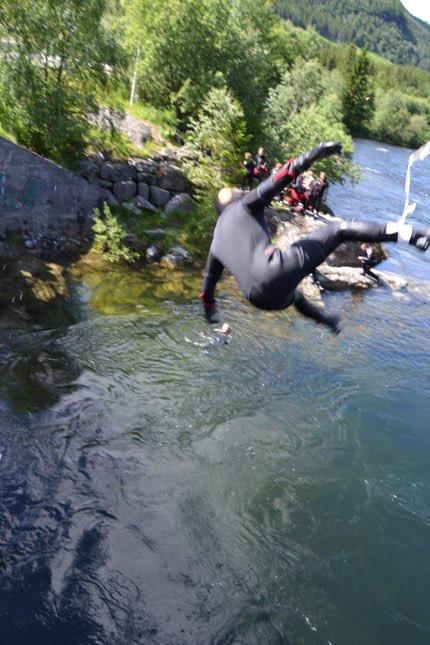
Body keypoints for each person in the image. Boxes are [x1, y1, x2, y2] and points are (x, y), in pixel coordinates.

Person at [199, 141, 430, 332]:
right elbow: (283, 175)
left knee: (296, 295)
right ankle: (414, 236)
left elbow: (207, 290)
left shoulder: (216, 241)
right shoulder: (245, 206)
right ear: (236, 200)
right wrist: (315, 153)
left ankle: (329, 322)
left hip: (260, 299)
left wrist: (210, 315)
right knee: (340, 230)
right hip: (273, 272)